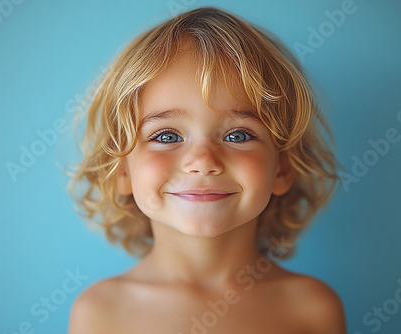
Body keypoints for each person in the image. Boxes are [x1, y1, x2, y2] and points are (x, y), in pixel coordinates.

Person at [68, 6, 346, 334]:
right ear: (122, 170)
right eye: (166, 136)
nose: (203, 161)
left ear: (282, 168)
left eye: (238, 135)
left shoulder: (312, 308)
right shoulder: (100, 313)